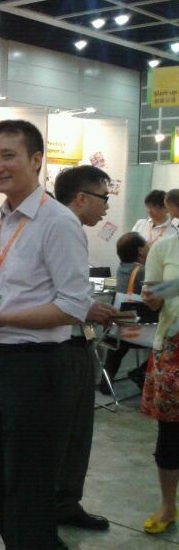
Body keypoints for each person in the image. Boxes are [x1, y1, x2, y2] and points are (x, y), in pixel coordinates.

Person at [0, 120, 92, 550]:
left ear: (36, 160)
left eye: (8, 155)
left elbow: (72, 307)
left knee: (29, 480)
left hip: (35, 368)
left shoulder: (58, 222)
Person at [53, 165, 118, 531]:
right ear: (81, 197)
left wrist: (88, 308)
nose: (106, 207)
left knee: (76, 432)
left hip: (74, 342)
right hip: (60, 346)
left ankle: (65, 502)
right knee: (64, 433)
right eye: (104, 198)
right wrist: (85, 308)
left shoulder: (68, 228)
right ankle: (53, 507)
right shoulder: (61, 227)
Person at [139, 226, 179, 534]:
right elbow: (151, 299)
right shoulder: (164, 248)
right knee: (171, 433)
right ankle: (168, 505)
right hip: (173, 349)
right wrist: (153, 297)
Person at [99, 232, 149, 392]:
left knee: (117, 351)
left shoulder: (120, 269)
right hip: (140, 330)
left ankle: (105, 382)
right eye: (147, 245)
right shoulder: (143, 271)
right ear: (140, 250)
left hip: (119, 329)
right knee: (166, 343)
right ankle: (141, 372)